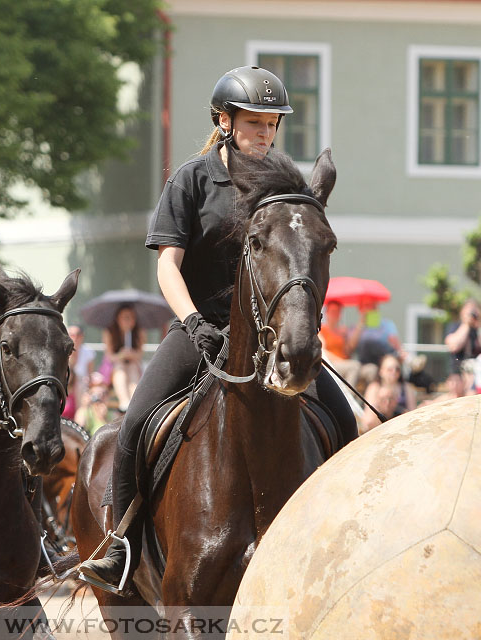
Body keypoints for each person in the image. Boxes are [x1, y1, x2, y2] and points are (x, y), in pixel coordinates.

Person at [78, 65, 357, 590]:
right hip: (201, 325)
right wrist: (189, 320)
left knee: (341, 419)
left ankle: (352, 531)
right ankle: (121, 541)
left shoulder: (281, 180)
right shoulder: (193, 178)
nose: (265, 132)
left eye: (272, 123)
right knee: (136, 420)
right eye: (254, 122)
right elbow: (167, 264)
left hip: (269, 335)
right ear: (224, 120)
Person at [102, 305, 144, 412]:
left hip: (132, 367)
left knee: (133, 367)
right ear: (118, 319)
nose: (129, 321)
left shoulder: (139, 332)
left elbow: (139, 355)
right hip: (114, 368)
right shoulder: (109, 332)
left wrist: (131, 354)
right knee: (120, 368)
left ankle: (134, 403)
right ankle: (124, 401)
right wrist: (121, 355)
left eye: (131, 317)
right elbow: (109, 356)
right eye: (125, 317)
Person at [444, 299, 481, 375]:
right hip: (458, 372)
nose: (472, 313)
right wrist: (466, 324)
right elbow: (454, 347)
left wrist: (480, 326)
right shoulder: (454, 327)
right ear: (461, 312)